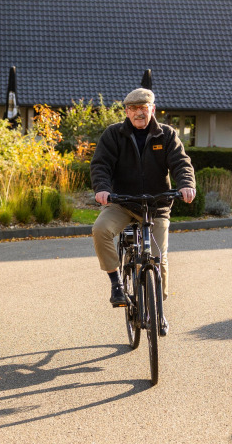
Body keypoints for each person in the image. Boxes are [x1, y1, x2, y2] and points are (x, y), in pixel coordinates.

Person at [90, 88, 196, 325]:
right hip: (123, 203)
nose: (139, 113)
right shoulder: (113, 134)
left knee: (158, 258)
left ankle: (158, 307)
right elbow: (101, 165)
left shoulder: (166, 135)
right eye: (134, 108)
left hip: (156, 205)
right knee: (100, 230)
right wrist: (102, 189)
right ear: (127, 111)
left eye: (143, 108)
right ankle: (116, 283)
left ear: (152, 109)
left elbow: (181, 163)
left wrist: (186, 185)